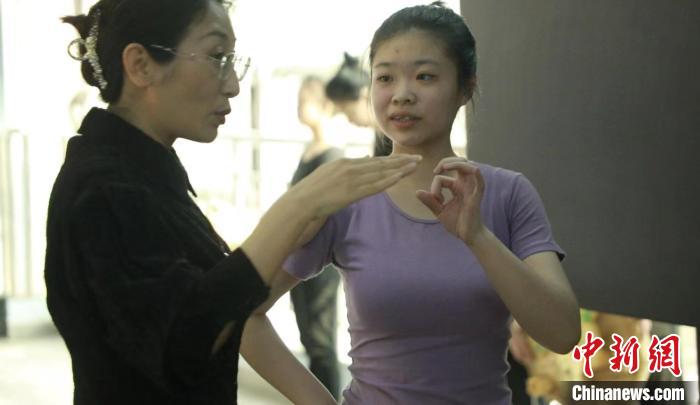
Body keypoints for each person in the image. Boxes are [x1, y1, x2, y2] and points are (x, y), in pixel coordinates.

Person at [45, 1, 420, 404]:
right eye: (216, 57)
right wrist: (298, 206)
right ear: (140, 66)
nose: (233, 86)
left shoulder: (142, 176)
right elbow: (184, 347)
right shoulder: (104, 187)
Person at [240, 2, 581, 404]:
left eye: (425, 76)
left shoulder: (508, 193)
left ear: (466, 87)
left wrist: (478, 238)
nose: (402, 95)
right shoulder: (347, 193)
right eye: (385, 77)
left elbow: (562, 334)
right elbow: (244, 313)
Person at [288, 76, 344, 398]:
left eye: (303, 100)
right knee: (309, 338)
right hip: (298, 258)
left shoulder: (332, 154)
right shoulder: (310, 151)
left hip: (320, 264)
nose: (298, 106)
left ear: (323, 105)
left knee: (321, 342)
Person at [326, 52, 393, 157]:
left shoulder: (396, 134)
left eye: (349, 112)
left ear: (365, 95)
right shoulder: (380, 135)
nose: (349, 120)